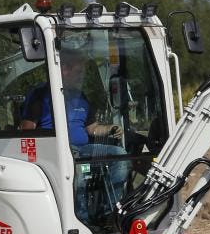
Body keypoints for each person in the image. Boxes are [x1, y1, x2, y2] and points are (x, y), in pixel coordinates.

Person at [20, 52, 129, 224]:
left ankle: (109, 213)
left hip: (84, 151)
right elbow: (27, 130)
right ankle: (81, 221)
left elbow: (92, 129)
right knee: (77, 169)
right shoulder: (41, 96)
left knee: (120, 156)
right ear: (64, 70)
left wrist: (111, 128)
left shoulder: (81, 97)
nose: (81, 77)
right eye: (79, 72)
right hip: (56, 153)